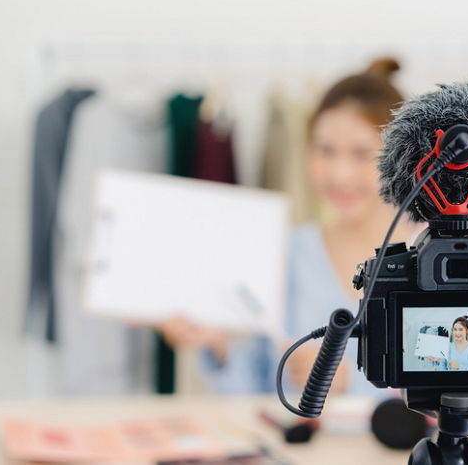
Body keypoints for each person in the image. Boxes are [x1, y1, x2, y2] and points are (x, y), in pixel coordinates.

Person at [157, 57, 427, 393]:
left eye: (362, 154)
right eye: (325, 151)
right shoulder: (289, 252)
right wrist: (218, 346)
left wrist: (349, 382)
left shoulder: (436, 258)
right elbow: (256, 387)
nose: (339, 173)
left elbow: (454, 391)